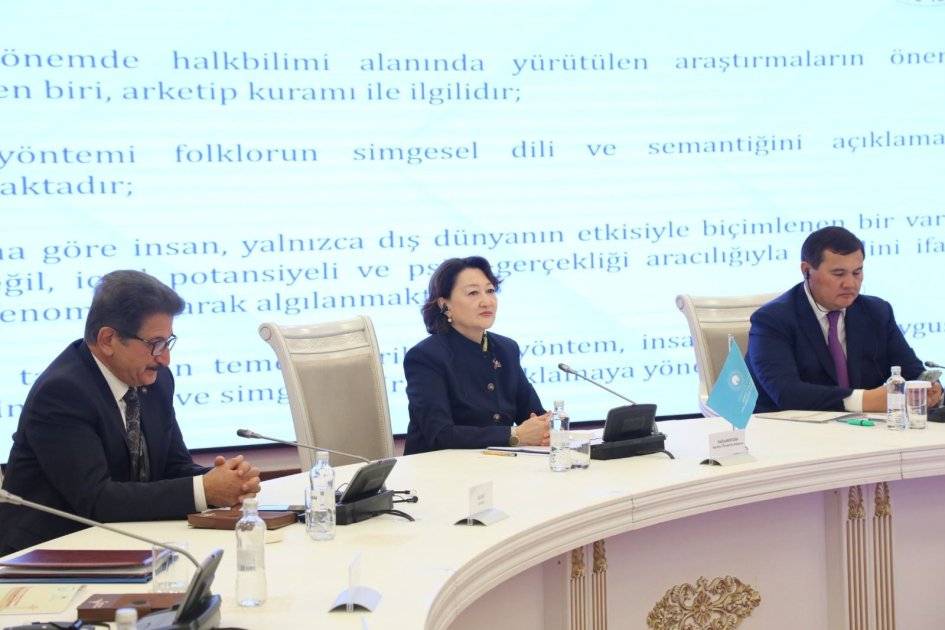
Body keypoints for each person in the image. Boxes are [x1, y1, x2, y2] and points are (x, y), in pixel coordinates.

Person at [0, 270, 261, 554]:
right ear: (108, 339)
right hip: (44, 555)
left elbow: (172, 467)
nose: (165, 358)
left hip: (123, 543)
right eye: (155, 344)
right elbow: (96, 499)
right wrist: (203, 490)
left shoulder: (155, 381)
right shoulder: (63, 392)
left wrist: (224, 479)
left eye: (168, 342)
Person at [746, 226, 943, 413]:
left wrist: (929, 388)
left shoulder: (876, 312)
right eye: (838, 274)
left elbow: (912, 372)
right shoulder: (772, 320)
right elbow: (787, 393)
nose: (850, 283)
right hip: (786, 430)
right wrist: (865, 400)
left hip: (864, 429)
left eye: (857, 273)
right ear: (806, 270)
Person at [403, 256, 550, 455]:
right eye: (473, 293)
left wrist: (545, 428)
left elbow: (533, 414)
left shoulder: (506, 349)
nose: (486, 301)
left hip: (497, 465)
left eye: (490, 291)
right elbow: (440, 435)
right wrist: (514, 435)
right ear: (444, 305)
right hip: (439, 468)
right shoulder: (425, 357)